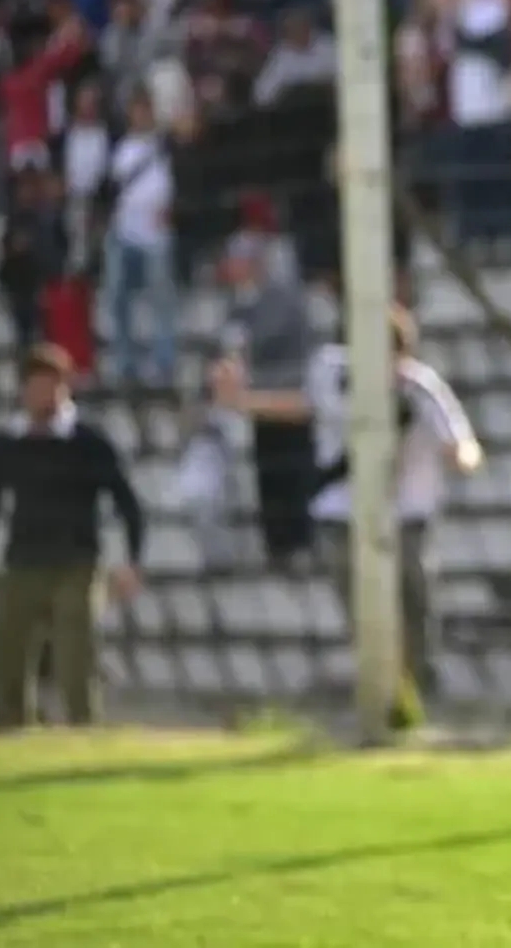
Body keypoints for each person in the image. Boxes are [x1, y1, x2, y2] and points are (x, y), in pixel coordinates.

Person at [215, 305, 483, 731]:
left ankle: (415, 685)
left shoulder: (419, 388)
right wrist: (242, 402)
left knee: (414, 598)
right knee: (360, 599)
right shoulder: (330, 371)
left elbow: (463, 441)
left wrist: (462, 457)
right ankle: (379, 683)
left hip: (406, 515)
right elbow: (303, 405)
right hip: (343, 511)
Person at [0, 343, 145, 726]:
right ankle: (16, 728)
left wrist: (132, 561)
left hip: (77, 561)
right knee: (9, 654)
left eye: (52, 385)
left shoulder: (88, 443)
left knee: (75, 652)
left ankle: (82, 728)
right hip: (23, 560)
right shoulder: (8, 444)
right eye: (36, 385)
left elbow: (128, 503)